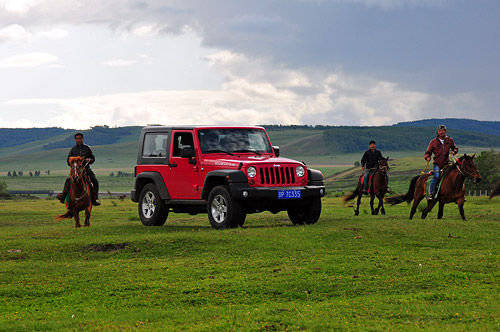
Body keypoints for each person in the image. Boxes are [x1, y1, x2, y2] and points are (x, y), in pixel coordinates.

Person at [57, 133, 101, 206]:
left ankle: (95, 199)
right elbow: (68, 160)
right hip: (75, 170)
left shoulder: (87, 148)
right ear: (75, 140)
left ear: (82, 139)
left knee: (95, 181)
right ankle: (63, 196)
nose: (78, 140)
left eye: (80, 138)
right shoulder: (73, 149)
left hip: (86, 169)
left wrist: (90, 160)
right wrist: (72, 163)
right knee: (68, 180)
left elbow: (93, 158)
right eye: (77, 139)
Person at [424, 124, 458, 200]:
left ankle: (457, 194)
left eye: (442, 131)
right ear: (437, 132)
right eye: (439, 131)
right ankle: (432, 193)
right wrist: (427, 157)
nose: (441, 132)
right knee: (436, 177)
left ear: (445, 131)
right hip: (437, 164)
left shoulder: (450, 140)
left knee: (454, 176)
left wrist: (454, 151)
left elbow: (455, 148)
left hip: (447, 163)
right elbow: (428, 152)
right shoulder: (433, 142)